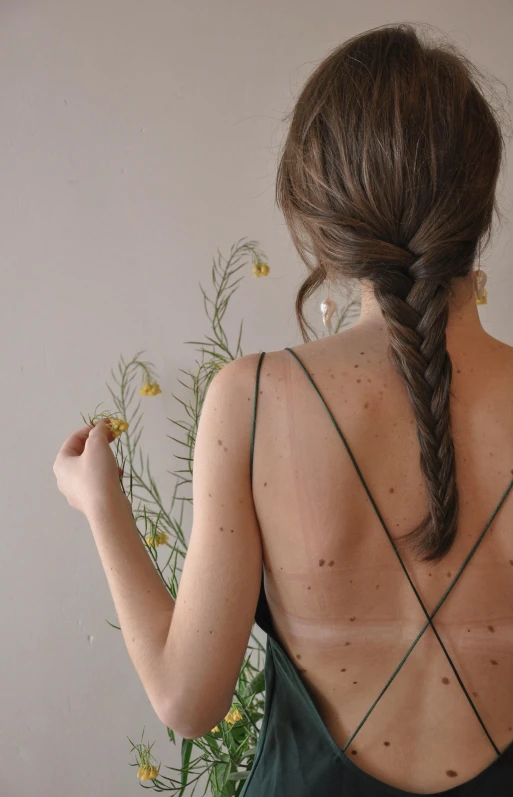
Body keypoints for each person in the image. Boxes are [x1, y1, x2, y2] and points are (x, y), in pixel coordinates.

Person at [52, 22, 513, 797]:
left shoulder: (254, 399)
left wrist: (103, 504)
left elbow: (188, 702)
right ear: (478, 200)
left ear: (319, 213)